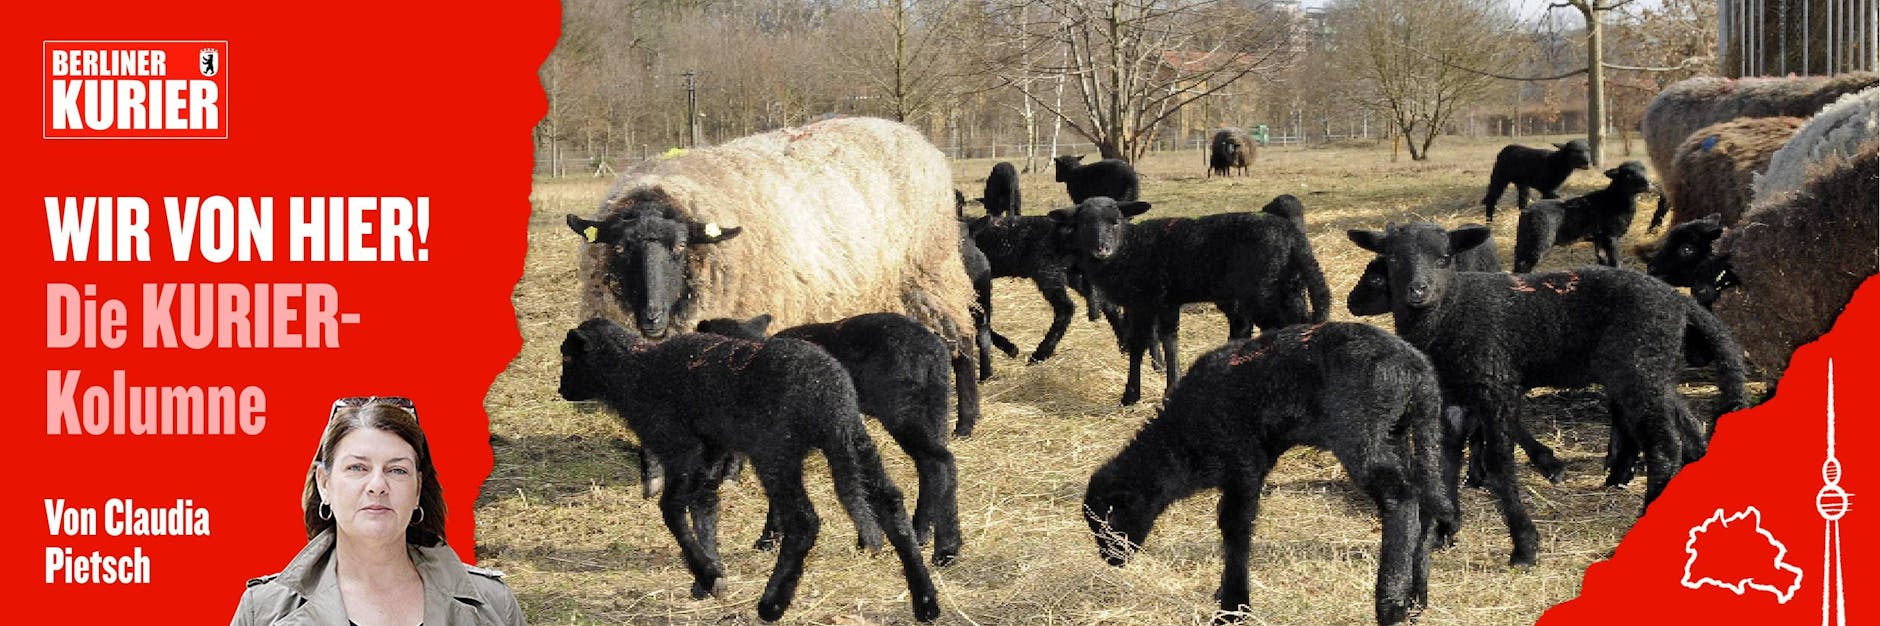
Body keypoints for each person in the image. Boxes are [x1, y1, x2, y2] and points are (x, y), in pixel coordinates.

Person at [232, 397, 524, 625]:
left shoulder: (493, 606)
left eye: (396, 470)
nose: (377, 485)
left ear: (418, 489)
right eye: (357, 467)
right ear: (324, 484)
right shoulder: (264, 612)